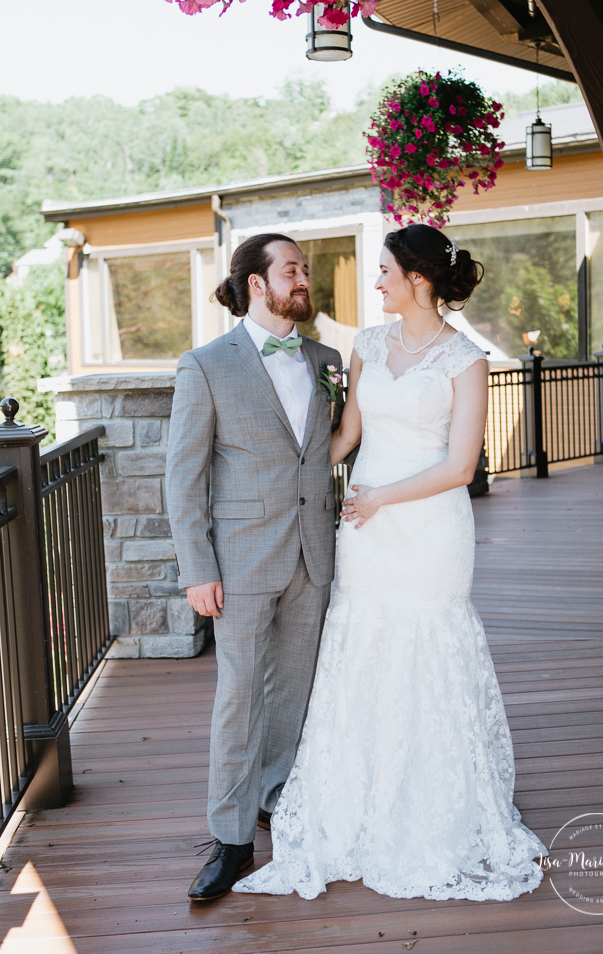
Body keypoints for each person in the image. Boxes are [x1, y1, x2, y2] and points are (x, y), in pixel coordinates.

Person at [234, 223, 547, 902]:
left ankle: (433, 805)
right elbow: (346, 433)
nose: (372, 282)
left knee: (426, 650)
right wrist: (286, 483)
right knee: (363, 647)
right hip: (366, 532)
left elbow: (460, 465)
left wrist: (381, 496)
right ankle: (361, 798)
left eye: (381, 271)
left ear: (418, 279)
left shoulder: (466, 360)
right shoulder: (367, 346)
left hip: (429, 529)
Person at [165, 233, 345, 901]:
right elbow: (183, 479)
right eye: (291, 269)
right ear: (255, 284)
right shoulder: (205, 365)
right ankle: (230, 838)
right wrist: (196, 568)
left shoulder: (325, 359)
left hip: (312, 554)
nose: (303, 278)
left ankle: (276, 800)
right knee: (238, 698)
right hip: (238, 563)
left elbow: (334, 449)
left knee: (293, 692)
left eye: (304, 269)